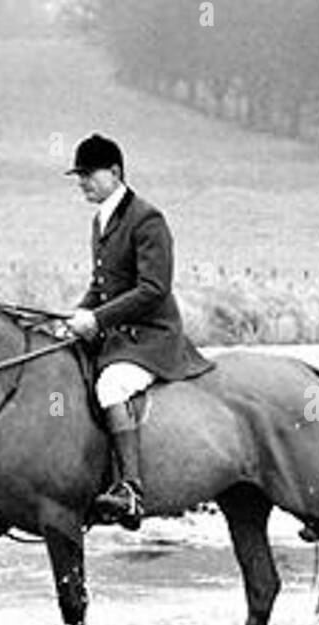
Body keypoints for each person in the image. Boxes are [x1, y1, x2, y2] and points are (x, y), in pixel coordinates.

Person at [63, 134, 213, 529]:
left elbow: (153, 289)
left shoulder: (147, 219)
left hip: (153, 337)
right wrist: (79, 312)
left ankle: (130, 489)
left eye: (88, 175)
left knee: (110, 386)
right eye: (78, 176)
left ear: (114, 172)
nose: (82, 183)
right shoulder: (100, 221)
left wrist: (96, 320)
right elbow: (102, 286)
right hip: (120, 337)